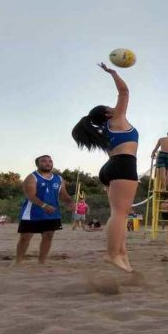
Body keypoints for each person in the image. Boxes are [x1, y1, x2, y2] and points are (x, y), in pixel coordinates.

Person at [72, 62, 139, 272]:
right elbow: (124, 92)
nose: (114, 107)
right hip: (123, 165)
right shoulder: (116, 119)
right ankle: (111, 254)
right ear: (108, 113)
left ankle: (123, 256)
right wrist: (113, 73)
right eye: (110, 108)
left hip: (110, 168)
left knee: (120, 213)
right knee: (120, 213)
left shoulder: (104, 130)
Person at [14, 155, 74, 266]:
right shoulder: (32, 177)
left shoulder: (58, 178)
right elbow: (30, 196)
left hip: (52, 213)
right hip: (32, 213)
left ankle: (42, 262)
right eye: (44, 161)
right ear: (37, 164)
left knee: (48, 236)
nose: (48, 163)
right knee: (25, 238)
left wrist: (70, 202)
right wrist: (43, 205)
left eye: (50, 161)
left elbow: (63, 194)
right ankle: (18, 262)